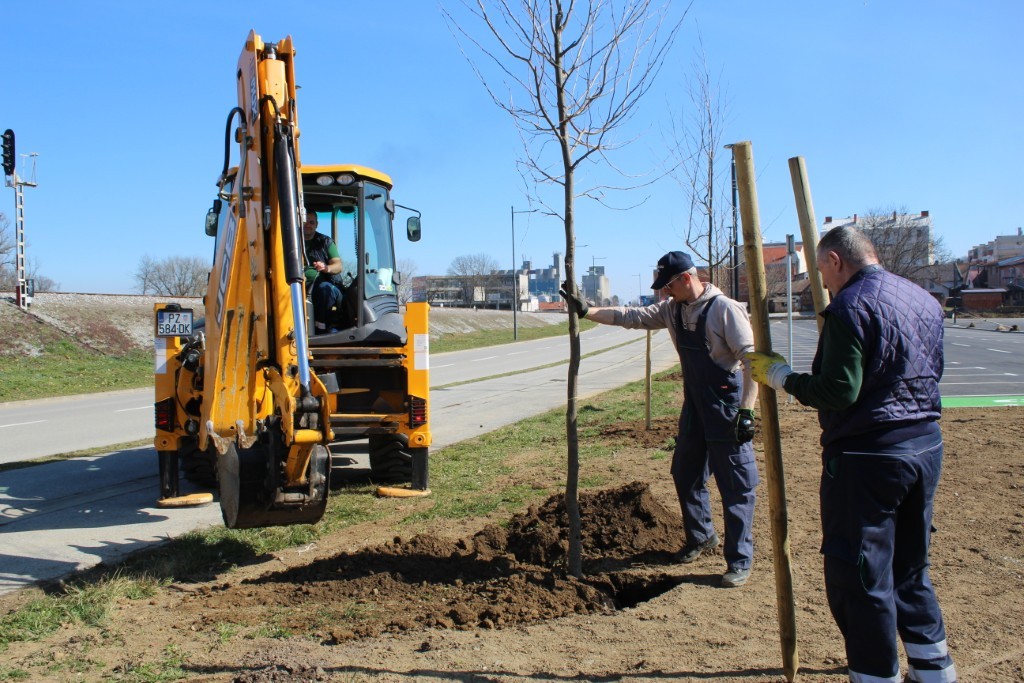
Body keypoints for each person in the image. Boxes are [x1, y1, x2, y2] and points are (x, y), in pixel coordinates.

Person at [746, 225, 957, 683]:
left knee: (859, 574)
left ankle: (876, 674)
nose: (823, 283)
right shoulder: (922, 299)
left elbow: (839, 391)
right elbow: (932, 369)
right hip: (925, 444)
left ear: (836, 261)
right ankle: (935, 671)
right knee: (910, 567)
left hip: (869, 456)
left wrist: (783, 377)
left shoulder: (850, 306)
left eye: (822, 272)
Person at [561, 251, 759, 588]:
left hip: (726, 405)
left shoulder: (724, 310)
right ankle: (701, 537)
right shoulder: (673, 310)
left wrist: (747, 410)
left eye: (668, 285)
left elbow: (752, 360)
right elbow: (631, 316)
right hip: (696, 404)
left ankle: (739, 560)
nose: (665, 293)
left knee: (736, 484)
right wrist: (587, 311)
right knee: (685, 472)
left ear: (686, 278)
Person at [302, 209, 345, 334]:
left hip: (323, 286)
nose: (308, 225)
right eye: (305, 221)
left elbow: (338, 265)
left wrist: (326, 268)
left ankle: (321, 329)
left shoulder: (325, 242)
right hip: (297, 285)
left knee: (325, 289)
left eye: (311, 222)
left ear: (316, 224)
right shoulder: (290, 241)